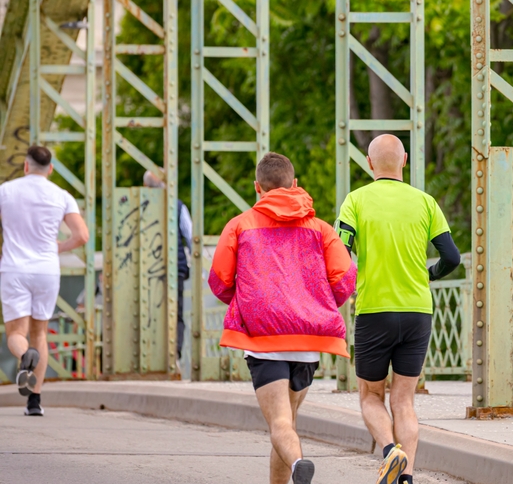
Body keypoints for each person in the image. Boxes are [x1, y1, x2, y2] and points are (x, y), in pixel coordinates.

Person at [210, 152, 356, 484]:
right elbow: (345, 279)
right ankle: (292, 469)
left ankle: (300, 462)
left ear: (257, 187)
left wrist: (251, 302)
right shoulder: (320, 229)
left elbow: (219, 280)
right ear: (295, 184)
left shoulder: (240, 225)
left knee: (279, 423)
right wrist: (313, 304)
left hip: (264, 342)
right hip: (308, 343)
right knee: (287, 421)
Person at [337, 134, 461, 484]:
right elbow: (452, 257)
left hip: (375, 309)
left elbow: (340, 254)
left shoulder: (355, 201)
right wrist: (429, 275)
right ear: (404, 160)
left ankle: (390, 451)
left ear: (369, 162)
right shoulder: (425, 202)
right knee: (404, 400)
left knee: (371, 395)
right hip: (418, 310)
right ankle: (406, 476)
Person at [0, 145, 89, 416]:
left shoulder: (6, 191)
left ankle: (24, 354)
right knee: (40, 333)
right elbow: (82, 236)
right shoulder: (62, 196)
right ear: (50, 169)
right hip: (47, 271)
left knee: (16, 334)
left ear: (26, 166)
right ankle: (34, 402)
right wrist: (58, 247)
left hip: (14, 269)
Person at [142, 169, 193, 361]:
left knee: (147, 312)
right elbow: (190, 236)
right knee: (175, 313)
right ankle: (174, 354)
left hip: (144, 270)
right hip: (175, 270)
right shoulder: (177, 206)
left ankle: (150, 356)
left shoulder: (140, 205)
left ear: (146, 186)